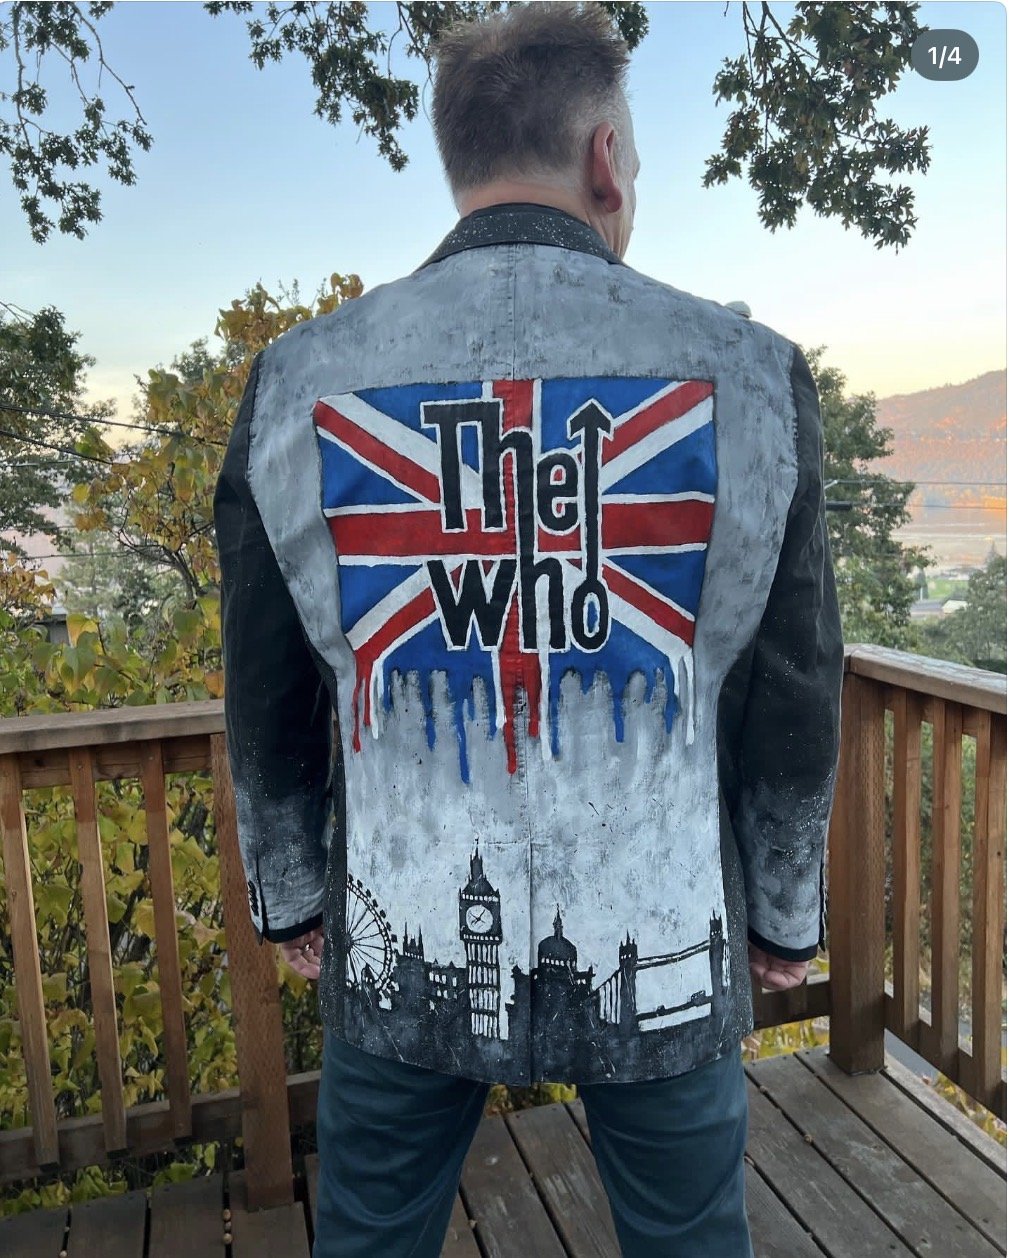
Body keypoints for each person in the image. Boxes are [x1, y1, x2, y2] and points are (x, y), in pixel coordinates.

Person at [213, 5, 843, 1255]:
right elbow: (795, 680)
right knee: (689, 1240)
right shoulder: (752, 371)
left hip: (400, 935)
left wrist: (290, 892)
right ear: (605, 158)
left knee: (373, 1234)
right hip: (666, 925)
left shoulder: (297, 379)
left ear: (455, 158)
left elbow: (266, 671)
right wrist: (781, 909)